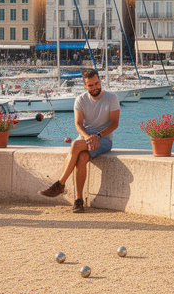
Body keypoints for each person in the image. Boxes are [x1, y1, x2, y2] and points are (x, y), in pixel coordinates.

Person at [39, 69, 120, 213]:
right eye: (90, 85)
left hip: (104, 139)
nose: (95, 87)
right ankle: (79, 201)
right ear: (84, 85)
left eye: (96, 83)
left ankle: (60, 184)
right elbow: (78, 124)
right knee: (81, 157)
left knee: (75, 144)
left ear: (100, 81)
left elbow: (114, 124)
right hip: (86, 137)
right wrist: (88, 137)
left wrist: (98, 136)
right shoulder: (81, 100)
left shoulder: (112, 98)